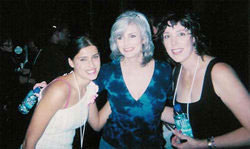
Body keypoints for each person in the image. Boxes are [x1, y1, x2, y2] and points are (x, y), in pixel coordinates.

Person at [157, 11, 250, 148]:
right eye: (167, 36)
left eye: (181, 34)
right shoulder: (177, 71)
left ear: (194, 37)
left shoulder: (219, 72)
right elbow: (189, 115)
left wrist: (204, 144)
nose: (173, 43)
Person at [89, 10, 173, 148]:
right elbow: (79, 88)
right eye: (120, 37)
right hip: (112, 145)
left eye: (132, 36)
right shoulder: (108, 71)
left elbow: (175, 109)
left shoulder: (163, 71)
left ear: (144, 38)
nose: (125, 43)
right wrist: (88, 94)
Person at [21, 35, 102, 149]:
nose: (92, 64)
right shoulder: (59, 90)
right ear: (71, 62)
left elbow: (97, 124)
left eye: (95, 57)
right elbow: (28, 143)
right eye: (83, 59)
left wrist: (121, 92)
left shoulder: (89, 87)